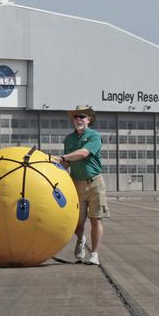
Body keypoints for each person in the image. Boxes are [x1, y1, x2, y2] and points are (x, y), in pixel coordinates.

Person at [56, 106, 109, 265]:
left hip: (95, 183)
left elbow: (83, 153)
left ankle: (94, 254)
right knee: (76, 222)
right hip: (76, 184)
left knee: (96, 220)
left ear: (88, 120)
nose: (78, 119)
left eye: (82, 116)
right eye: (75, 117)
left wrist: (62, 157)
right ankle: (80, 238)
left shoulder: (94, 137)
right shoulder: (69, 139)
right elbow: (66, 163)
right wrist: (52, 163)